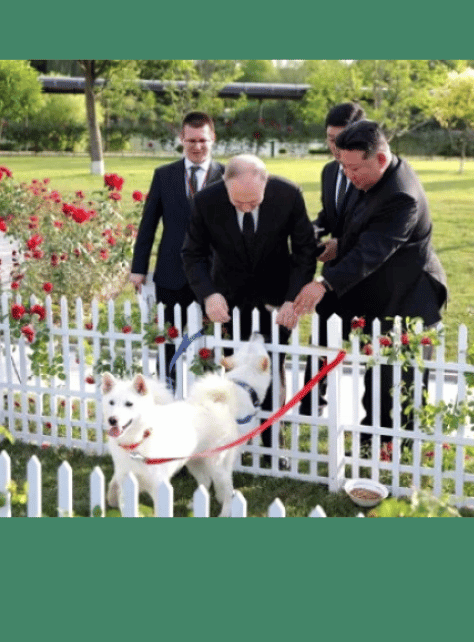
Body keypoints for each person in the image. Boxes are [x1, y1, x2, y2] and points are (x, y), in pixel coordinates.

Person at [292, 120, 448, 452]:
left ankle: (395, 449)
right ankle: (370, 441)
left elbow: (373, 250)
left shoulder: (402, 196)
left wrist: (324, 283)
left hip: (410, 298)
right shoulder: (367, 178)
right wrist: (338, 244)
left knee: (396, 381)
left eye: (353, 167)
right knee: (374, 374)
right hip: (377, 293)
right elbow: (357, 226)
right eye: (342, 166)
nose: (347, 174)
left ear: (379, 158)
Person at [182, 154, 318, 462]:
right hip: (228, 300)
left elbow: (305, 251)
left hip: (276, 300)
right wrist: (209, 295)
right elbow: (192, 254)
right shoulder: (206, 201)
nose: (246, 207)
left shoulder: (288, 194)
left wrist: (292, 298)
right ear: (225, 186)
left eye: (253, 202)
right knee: (233, 370)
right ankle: (236, 440)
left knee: (271, 368)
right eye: (238, 202)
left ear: (265, 183)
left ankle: (271, 444)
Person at [130, 112, 225, 391]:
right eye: (191, 140)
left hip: (212, 278)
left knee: (210, 344)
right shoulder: (164, 176)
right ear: (181, 139)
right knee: (168, 344)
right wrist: (138, 267)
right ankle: (166, 394)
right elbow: (148, 225)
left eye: (203, 140)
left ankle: (208, 399)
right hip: (171, 276)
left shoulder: (228, 175)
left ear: (213, 139)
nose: (197, 147)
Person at [304, 102, 366, 415]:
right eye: (330, 140)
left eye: (343, 140)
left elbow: (375, 228)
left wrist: (341, 244)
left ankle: (375, 426)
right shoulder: (329, 172)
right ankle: (310, 407)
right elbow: (330, 215)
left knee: (373, 354)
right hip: (332, 276)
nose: (337, 148)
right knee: (319, 344)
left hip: (369, 275)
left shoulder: (374, 171)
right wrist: (311, 230)